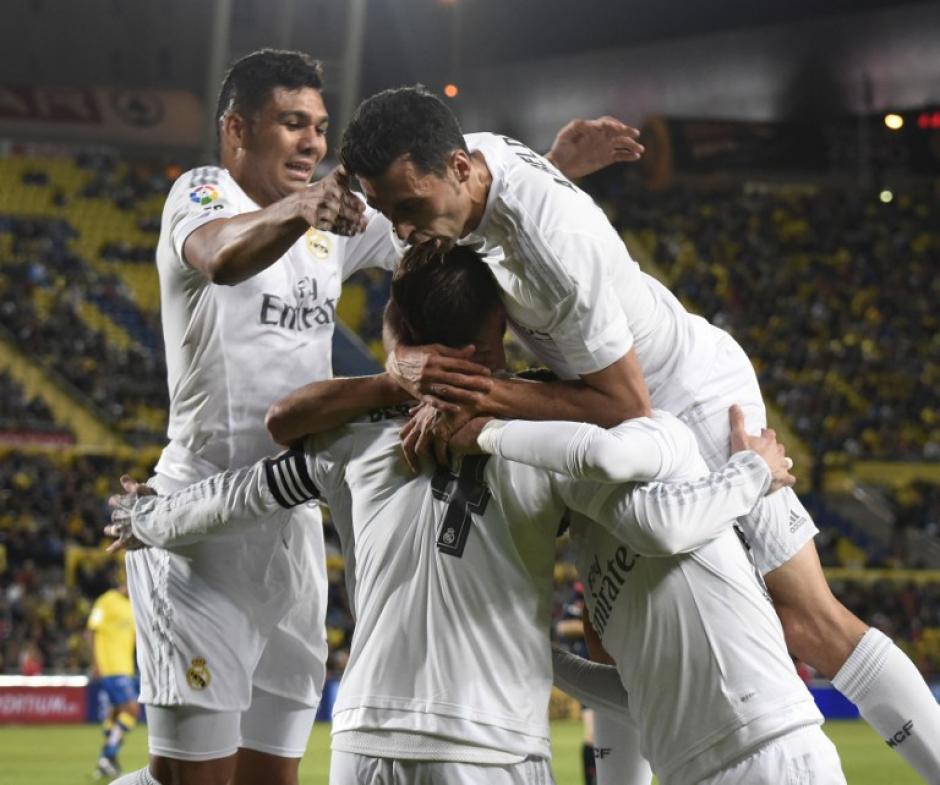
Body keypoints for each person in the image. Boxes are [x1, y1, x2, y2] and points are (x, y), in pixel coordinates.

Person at [339, 85, 940, 784]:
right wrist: (400, 355)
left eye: (407, 210)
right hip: (603, 392)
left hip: (687, 393)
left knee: (807, 619)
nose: (401, 229)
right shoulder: (458, 171)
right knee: (612, 626)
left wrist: (473, 398)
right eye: (389, 211)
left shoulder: (551, 248)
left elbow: (627, 404)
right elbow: (411, 282)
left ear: (462, 168)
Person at [119, 47, 646, 785]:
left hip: (294, 518)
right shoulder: (206, 196)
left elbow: (437, 226)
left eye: (319, 126)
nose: (310, 141)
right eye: (291, 123)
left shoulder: (330, 225)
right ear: (236, 128)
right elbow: (217, 259)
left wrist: (553, 168)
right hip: (202, 527)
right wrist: (300, 209)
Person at [107, 245, 821, 784]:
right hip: (492, 744)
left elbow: (240, 493)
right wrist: (754, 471)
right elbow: (659, 516)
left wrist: (147, 519)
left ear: (402, 336)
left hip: (367, 742)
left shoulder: (354, 437)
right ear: (492, 334)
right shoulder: (553, 442)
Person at [86, 569, 138, 779]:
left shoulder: (132, 606)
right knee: (132, 710)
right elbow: (90, 630)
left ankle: (106, 763)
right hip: (111, 667)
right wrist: (95, 662)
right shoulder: (106, 600)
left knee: (117, 713)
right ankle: (108, 756)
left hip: (126, 667)